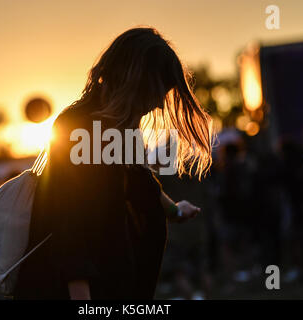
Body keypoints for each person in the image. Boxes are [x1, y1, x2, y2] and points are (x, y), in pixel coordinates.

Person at [15, 27, 213, 300]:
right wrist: (80, 293)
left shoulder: (118, 128)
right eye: (157, 91)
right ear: (133, 81)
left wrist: (176, 211)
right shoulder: (78, 125)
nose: (158, 104)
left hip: (110, 280)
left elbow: (142, 184)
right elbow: (66, 218)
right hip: (74, 287)